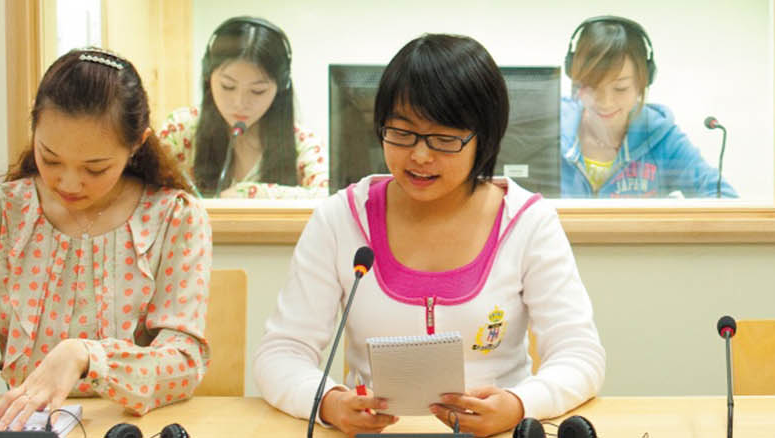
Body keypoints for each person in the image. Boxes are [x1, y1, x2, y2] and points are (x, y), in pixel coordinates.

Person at [254, 34, 605, 437]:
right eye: (402, 133)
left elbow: (580, 354)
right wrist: (329, 402)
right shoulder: (340, 219)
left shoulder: (527, 223)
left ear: (484, 139)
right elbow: (282, 353)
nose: (419, 155)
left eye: (443, 139)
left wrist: (520, 404)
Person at [0, 48, 212, 429]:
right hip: (27, 428)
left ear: (137, 143)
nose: (69, 183)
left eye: (95, 167)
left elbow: (185, 362)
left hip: (129, 430)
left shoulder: (174, 217)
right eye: (51, 159)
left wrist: (86, 356)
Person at [560, 16, 736, 198]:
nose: (606, 102)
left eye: (621, 88)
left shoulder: (662, 138)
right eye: (593, 86)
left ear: (643, 82)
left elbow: (726, 199)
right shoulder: (548, 129)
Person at [159, 16, 328, 199]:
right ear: (208, 76)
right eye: (228, 86)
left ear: (281, 87)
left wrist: (249, 193)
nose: (240, 103)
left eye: (257, 91)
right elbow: (142, 192)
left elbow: (328, 198)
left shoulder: (302, 143)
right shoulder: (181, 129)